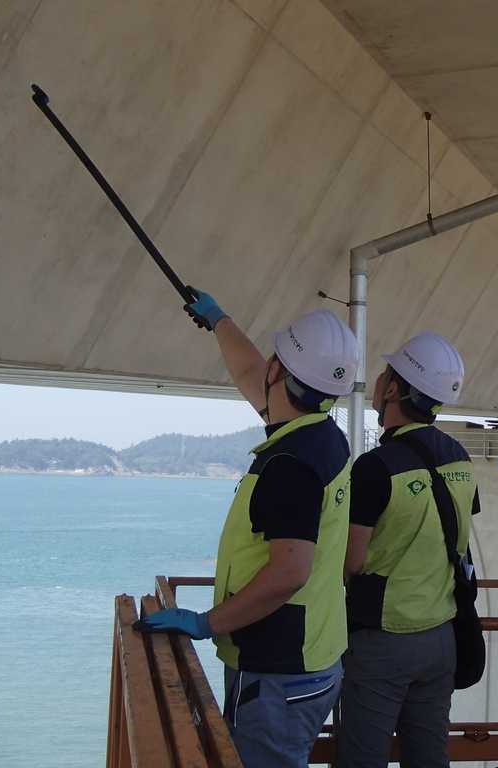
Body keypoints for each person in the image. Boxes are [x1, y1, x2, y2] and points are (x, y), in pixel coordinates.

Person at [134, 290, 357, 768]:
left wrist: (204, 624)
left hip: (279, 672)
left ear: (280, 371)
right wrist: (218, 321)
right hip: (314, 656)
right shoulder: (321, 436)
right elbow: (249, 373)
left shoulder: (290, 465)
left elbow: (288, 573)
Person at [337, 331, 480, 768]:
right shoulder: (460, 458)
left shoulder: (374, 467)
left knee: (363, 760)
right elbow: (453, 536)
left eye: (384, 374)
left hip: (384, 641)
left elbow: (351, 562)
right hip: (442, 636)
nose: (378, 382)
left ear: (394, 390)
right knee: (428, 759)